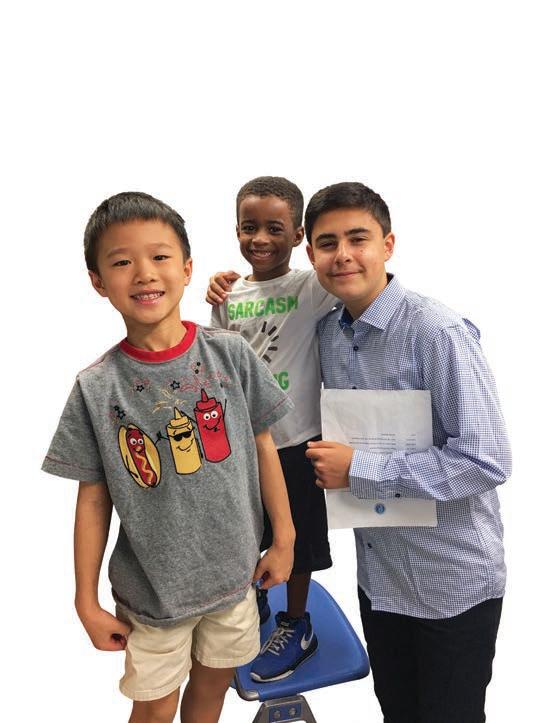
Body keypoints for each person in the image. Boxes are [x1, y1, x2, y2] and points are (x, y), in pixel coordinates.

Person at [41, 191, 296, 723]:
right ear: (97, 281)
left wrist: (285, 539)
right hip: (153, 597)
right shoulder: (96, 388)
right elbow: (92, 501)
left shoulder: (230, 354)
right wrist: (85, 600)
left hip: (235, 580)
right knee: (155, 709)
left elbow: (263, 446)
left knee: (212, 690)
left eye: (159, 256)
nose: (144, 273)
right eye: (121, 262)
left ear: (186, 268)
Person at [304, 181, 511, 723]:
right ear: (311, 255)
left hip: (452, 585)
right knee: (397, 712)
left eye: (358, 238)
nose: (343, 255)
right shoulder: (328, 334)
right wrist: (229, 291)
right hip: (381, 577)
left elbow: (486, 460)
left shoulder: (436, 331)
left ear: (388, 245)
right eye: (327, 243)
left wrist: (359, 469)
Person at [207, 176, 335, 682]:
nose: (259, 238)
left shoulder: (309, 286)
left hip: (297, 442)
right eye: (249, 227)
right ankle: (255, 600)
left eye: (275, 228)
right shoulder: (227, 296)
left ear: (299, 235)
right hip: (242, 445)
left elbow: (349, 272)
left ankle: (297, 623)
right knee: (247, 534)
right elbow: (217, 362)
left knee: (297, 542)